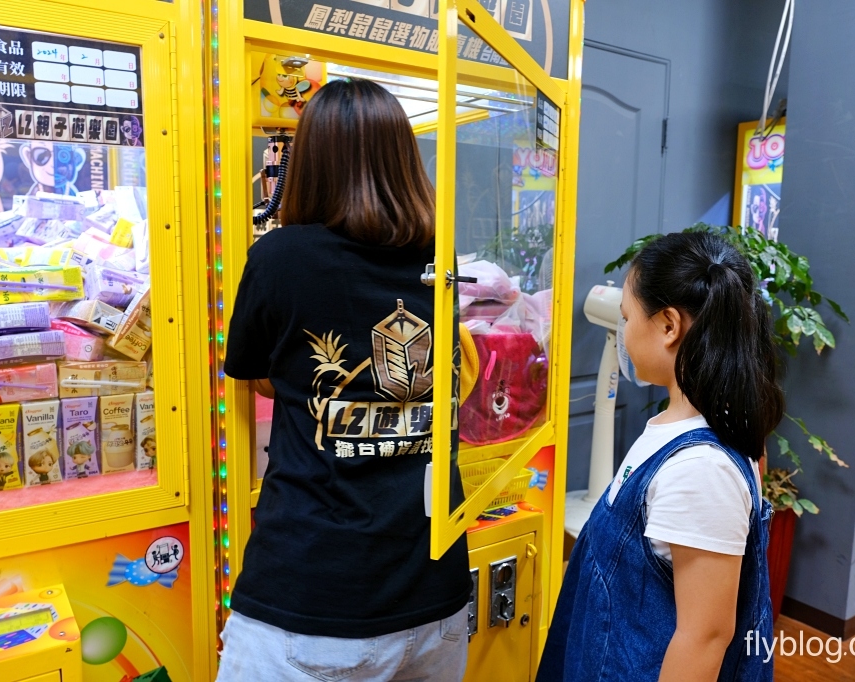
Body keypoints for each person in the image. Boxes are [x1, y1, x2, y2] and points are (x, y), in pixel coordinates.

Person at [217, 78, 479, 682]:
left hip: (311, 599)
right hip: (434, 589)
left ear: (311, 162)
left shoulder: (281, 257)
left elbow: (254, 373)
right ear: (402, 159)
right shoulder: (438, 253)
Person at [537, 231, 783, 682]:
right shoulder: (679, 428)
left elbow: (704, 637)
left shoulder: (701, 471)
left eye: (627, 317)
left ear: (669, 326)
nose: (623, 333)